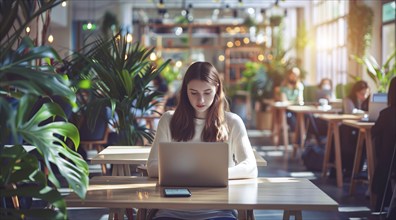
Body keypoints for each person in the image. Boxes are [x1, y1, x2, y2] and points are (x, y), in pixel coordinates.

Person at [147, 61, 258, 220]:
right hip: (172, 210)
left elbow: (251, 168)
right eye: (194, 93)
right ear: (185, 91)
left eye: (207, 92)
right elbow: (151, 167)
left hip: (219, 211)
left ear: (217, 89)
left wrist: (211, 175)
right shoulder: (168, 120)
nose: (201, 100)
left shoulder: (232, 122)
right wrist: (203, 175)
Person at [371, 77, 396, 214]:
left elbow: (374, 132)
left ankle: (381, 202)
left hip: (390, 165)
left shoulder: (386, 114)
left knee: (381, 140)